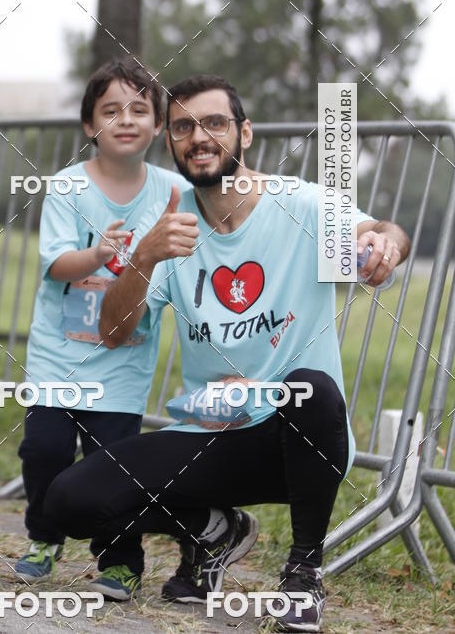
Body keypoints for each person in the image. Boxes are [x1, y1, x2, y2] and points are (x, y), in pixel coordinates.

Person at [42, 75, 410, 632]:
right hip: (208, 435)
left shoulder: (299, 205)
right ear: (172, 142)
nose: (200, 137)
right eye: (185, 126)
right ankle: (213, 530)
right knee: (67, 500)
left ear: (244, 133)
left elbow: (380, 230)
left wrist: (385, 245)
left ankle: (303, 576)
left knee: (312, 386)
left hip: (297, 436)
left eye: (215, 123)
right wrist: (143, 257)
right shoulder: (165, 225)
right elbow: (115, 332)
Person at [14, 59, 189, 601]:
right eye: (110, 110)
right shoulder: (67, 187)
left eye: (139, 109)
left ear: (158, 125)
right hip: (57, 357)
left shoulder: (173, 190)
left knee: (113, 466)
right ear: (90, 125)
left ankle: (120, 560)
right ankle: (44, 536)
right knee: (44, 449)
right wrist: (97, 252)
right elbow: (55, 265)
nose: (126, 119)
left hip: (124, 361)